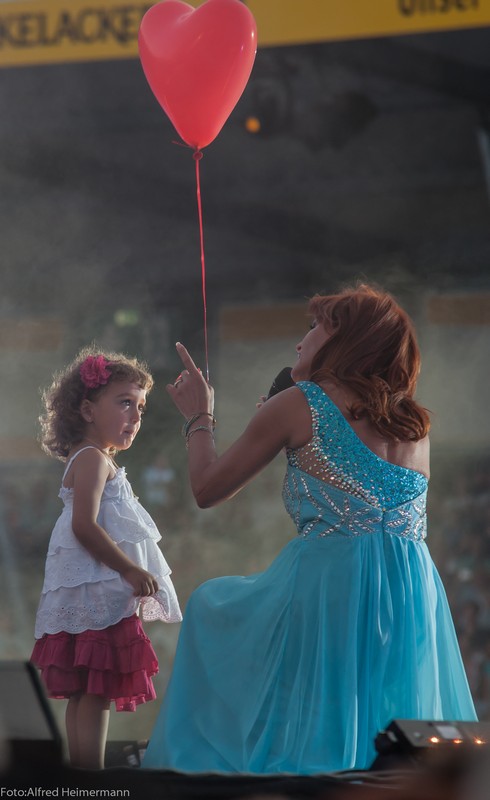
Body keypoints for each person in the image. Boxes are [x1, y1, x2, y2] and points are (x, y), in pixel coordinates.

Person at [143, 283, 477, 775]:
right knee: (386, 738)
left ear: (345, 340)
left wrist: (199, 416)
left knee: (211, 607)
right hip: (411, 594)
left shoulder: (299, 403)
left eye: (315, 327)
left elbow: (207, 488)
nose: (301, 341)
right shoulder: (413, 425)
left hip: (331, 586)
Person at [30, 348, 182, 770]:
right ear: (87, 410)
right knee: (95, 692)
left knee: (85, 692)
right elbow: (85, 525)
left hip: (84, 589)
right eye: (125, 402)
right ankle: (92, 778)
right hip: (97, 590)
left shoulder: (90, 457)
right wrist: (129, 568)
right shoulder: (94, 459)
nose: (135, 415)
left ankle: (81, 774)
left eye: (141, 407)